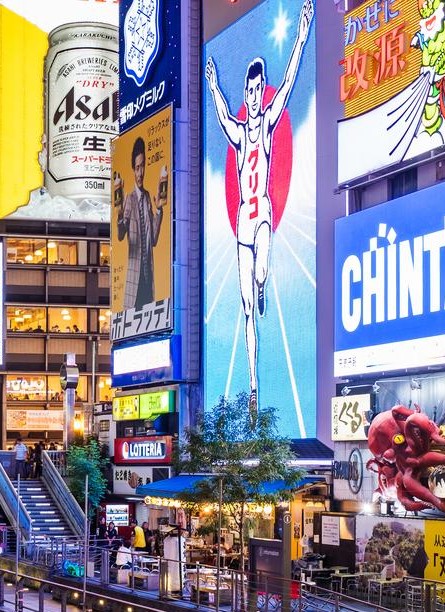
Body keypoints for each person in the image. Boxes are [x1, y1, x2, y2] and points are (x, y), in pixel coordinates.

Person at [204, 0, 313, 414]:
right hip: (241, 226)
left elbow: (288, 81)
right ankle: (252, 385)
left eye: (254, 90)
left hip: (262, 212)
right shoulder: (237, 129)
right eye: (247, 92)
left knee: (261, 273)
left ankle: (264, 283)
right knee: (247, 309)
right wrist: (214, 85)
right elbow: (219, 117)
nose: (251, 97)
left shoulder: (266, 123)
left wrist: (302, 34)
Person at [116, 134, 167, 312]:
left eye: (143, 166)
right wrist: (119, 212)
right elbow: (121, 235)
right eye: (137, 168)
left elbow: (153, 239)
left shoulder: (147, 197)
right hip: (133, 279)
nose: (140, 172)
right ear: (133, 169)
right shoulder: (129, 199)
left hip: (147, 277)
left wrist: (159, 210)